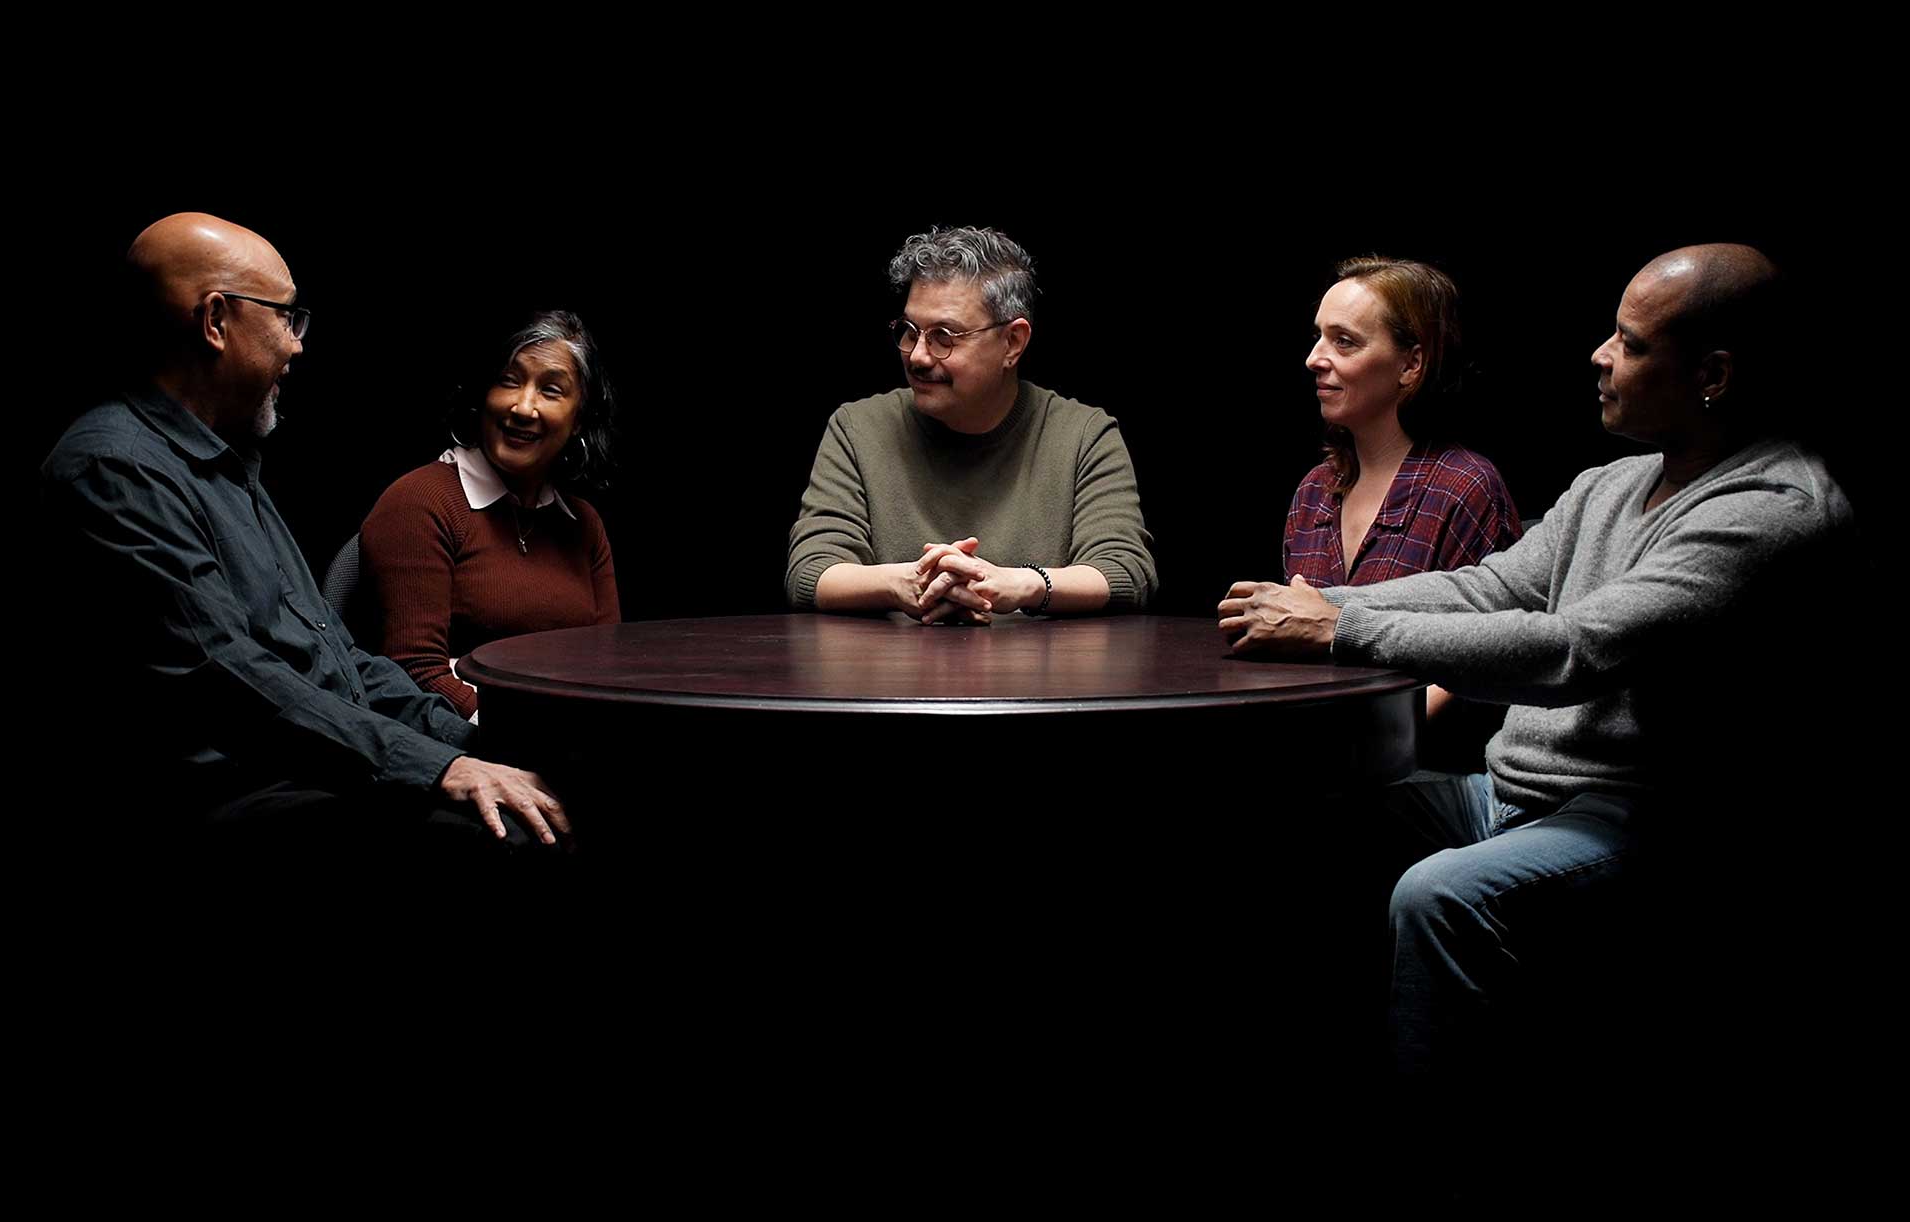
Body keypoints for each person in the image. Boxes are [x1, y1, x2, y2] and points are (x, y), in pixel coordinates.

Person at [1216, 244, 1853, 1086]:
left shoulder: (1771, 512)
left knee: (1439, 894)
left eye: (1629, 342)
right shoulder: (1612, 485)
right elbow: (1493, 586)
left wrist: (1336, 632)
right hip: (1508, 792)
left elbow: (1574, 650)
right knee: (1299, 816)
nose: (1600, 353)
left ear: (1714, 375)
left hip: (1648, 816)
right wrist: (1330, 603)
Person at [39, 212, 571, 854]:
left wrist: (478, 745)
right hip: (234, 794)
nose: (298, 345)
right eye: (286, 318)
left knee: (562, 789)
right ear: (216, 321)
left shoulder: (227, 464)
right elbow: (228, 680)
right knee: (521, 835)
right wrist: (440, 770)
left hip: (311, 767)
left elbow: (341, 663)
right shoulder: (114, 469)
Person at [786, 226, 1157, 623]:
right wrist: (905, 583)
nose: (918, 357)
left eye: (944, 337)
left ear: (1013, 343)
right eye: (909, 332)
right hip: (888, 680)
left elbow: (1124, 569)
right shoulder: (857, 429)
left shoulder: (1085, 436)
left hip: (1044, 680)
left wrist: (1020, 585)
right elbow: (812, 569)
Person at [1224, 256, 1519, 720]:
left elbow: (1486, 655)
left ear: (1410, 364)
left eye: (1344, 342)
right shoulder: (1315, 492)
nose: (1314, 358)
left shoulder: (1464, 487)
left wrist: (1361, 739)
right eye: (1318, 336)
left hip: (1423, 766)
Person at [360, 312, 619, 721]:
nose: (523, 407)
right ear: (483, 395)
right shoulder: (420, 501)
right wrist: (531, 733)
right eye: (509, 381)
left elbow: (608, 665)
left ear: (580, 420)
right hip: (466, 747)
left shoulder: (583, 525)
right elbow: (412, 673)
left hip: (571, 739)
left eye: (551, 390)